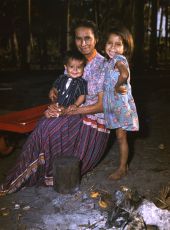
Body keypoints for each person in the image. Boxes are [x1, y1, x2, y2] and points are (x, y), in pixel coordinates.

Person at [0, 19, 110, 196]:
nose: (83, 43)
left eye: (88, 38)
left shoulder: (104, 65)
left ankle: (14, 181)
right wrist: (54, 98)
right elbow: (64, 88)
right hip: (74, 114)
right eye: (78, 38)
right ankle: (17, 178)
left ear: (96, 39)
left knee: (48, 127)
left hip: (94, 123)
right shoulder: (75, 61)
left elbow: (103, 106)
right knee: (45, 123)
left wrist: (71, 111)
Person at [102, 25, 139, 180]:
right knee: (120, 137)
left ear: (125, 47)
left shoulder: (118, 59)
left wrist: (117, 85)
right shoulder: (109, 62)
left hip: (120, 106)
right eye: (110, 43)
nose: (113, 47)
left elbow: (123, 74)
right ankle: (124, 165)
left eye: (118, 44)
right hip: (115, 105)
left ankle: (122, 168)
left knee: (121, 137)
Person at [45, 50, 87, 118]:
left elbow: (82, 96)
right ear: (65, 67)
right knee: (47, 113)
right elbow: (54, 89)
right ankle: (52, 115)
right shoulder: (61, 78)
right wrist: (53, 98)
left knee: (63, 117)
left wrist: (75, 105)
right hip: (58, 104)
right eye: (71, 67)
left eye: (79, 67)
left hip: (70, 108)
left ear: (83, 69)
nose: (75, 70)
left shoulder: (82, 82)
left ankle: (58, 119)